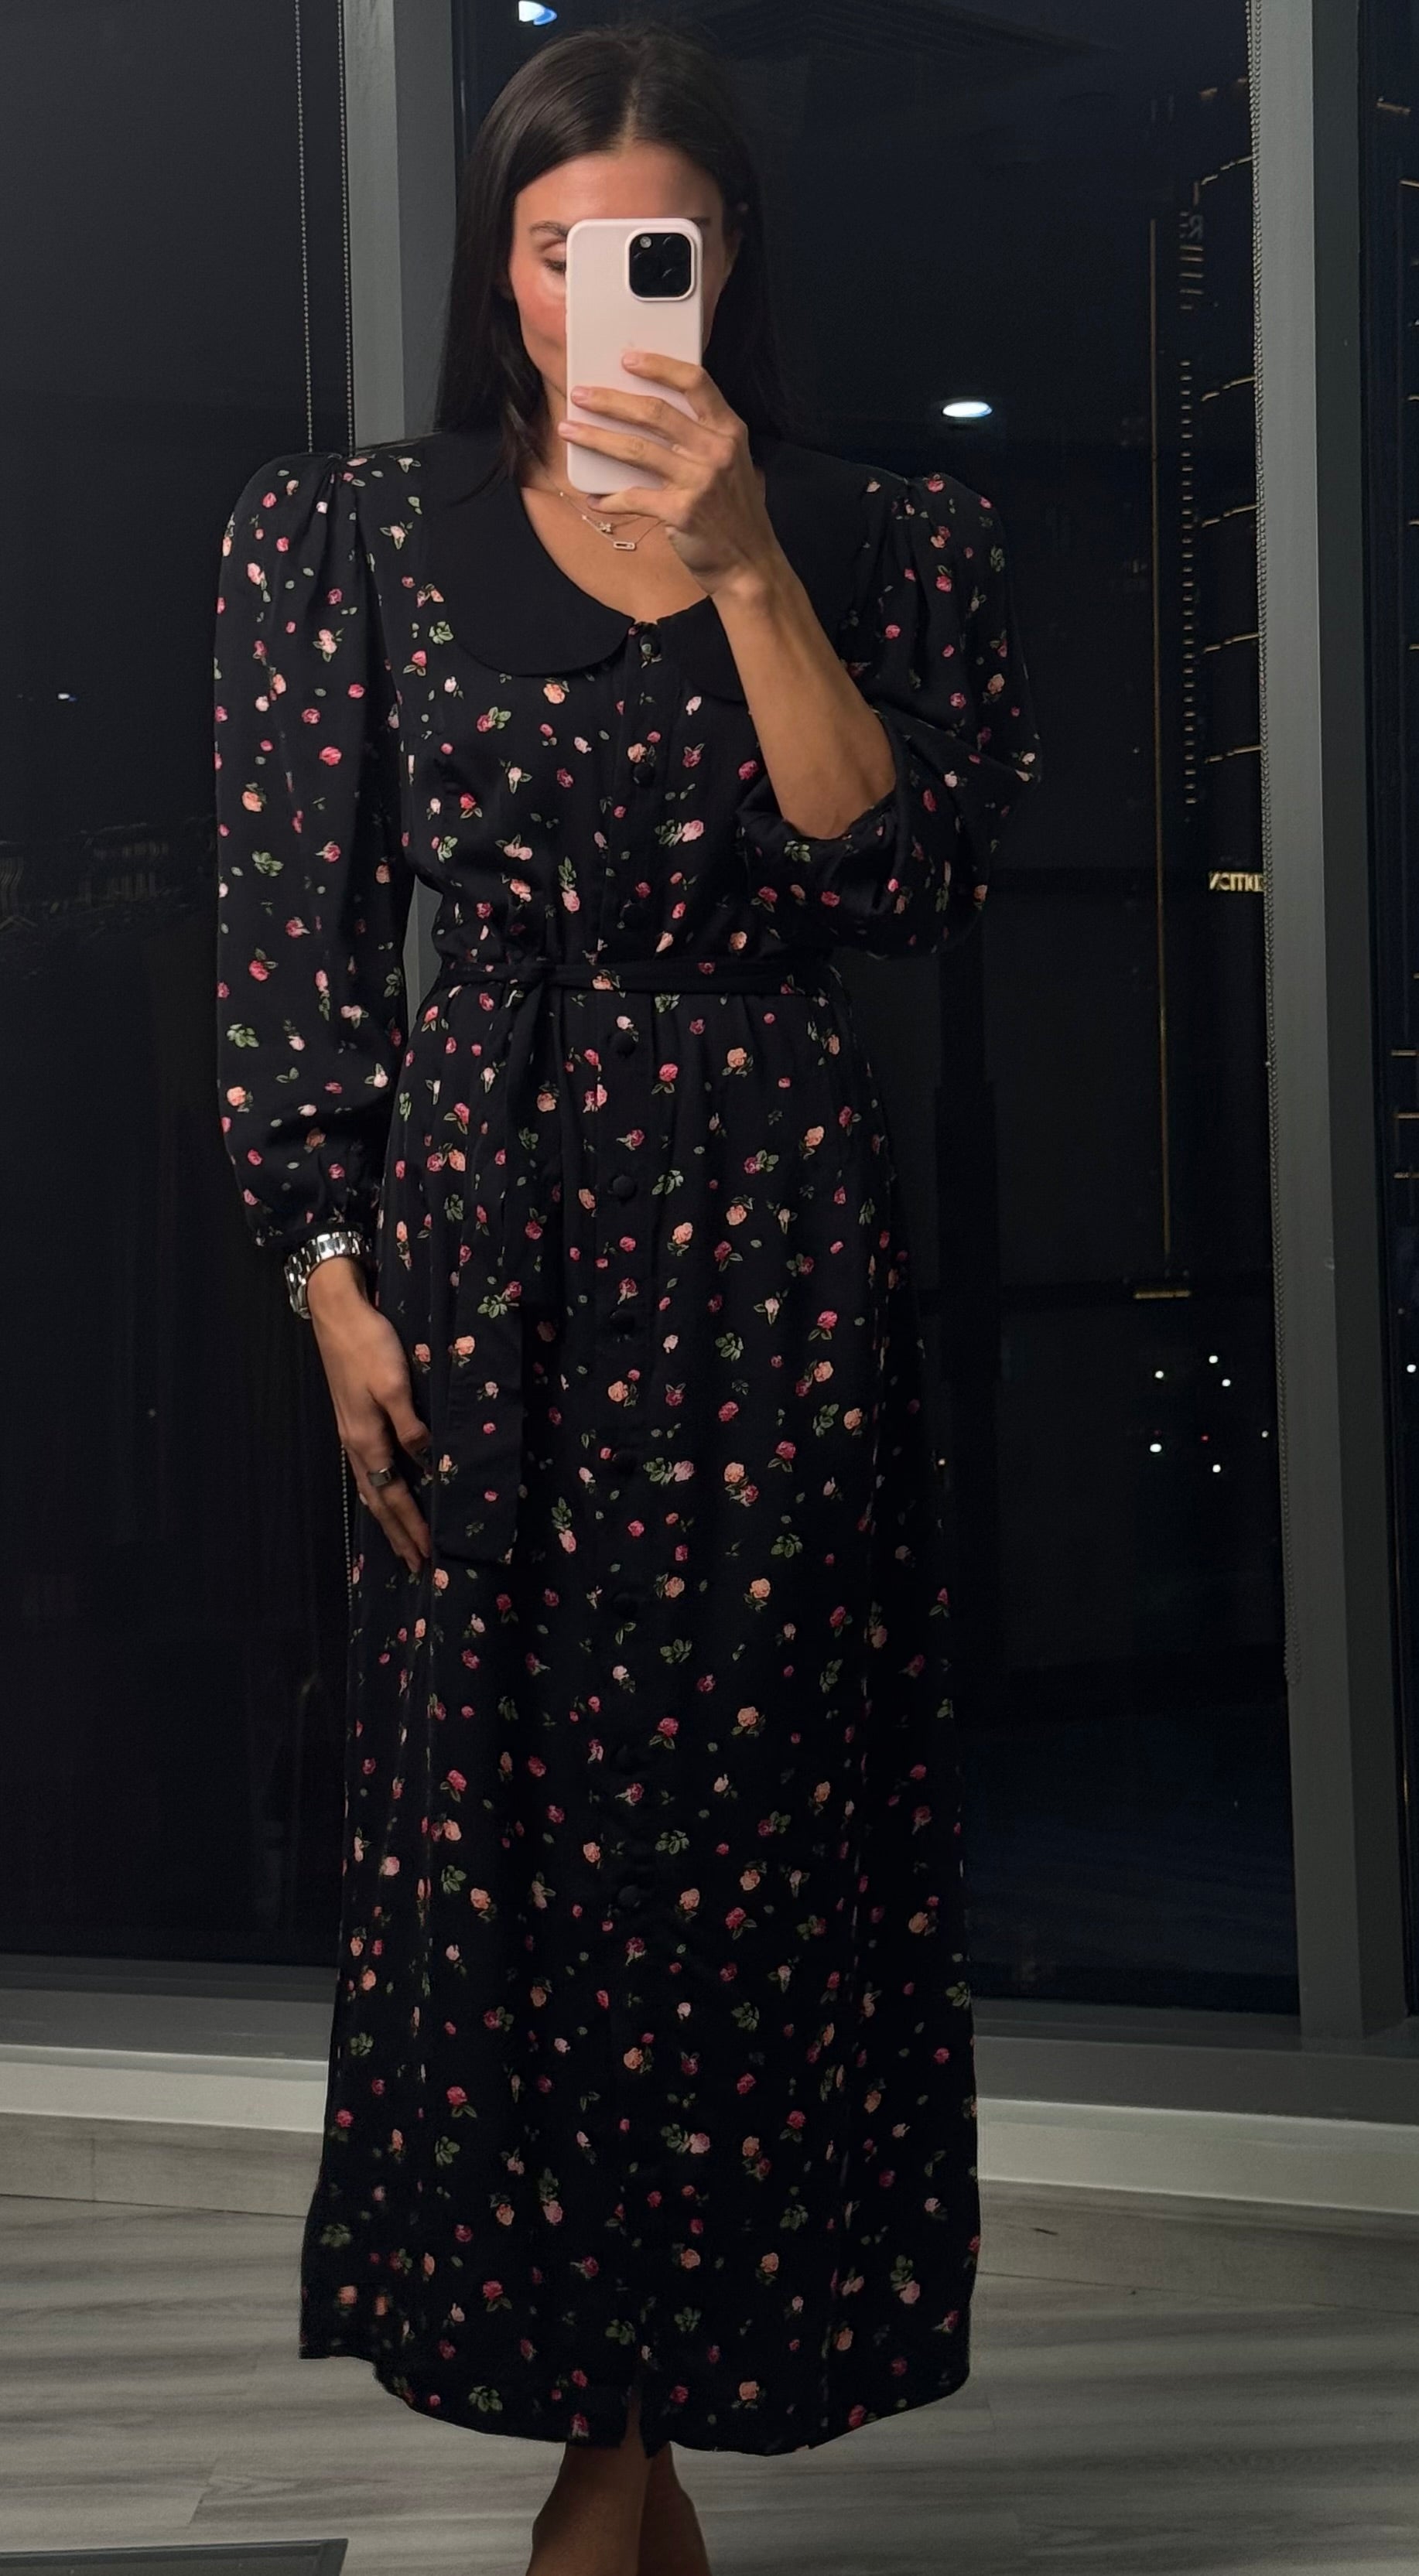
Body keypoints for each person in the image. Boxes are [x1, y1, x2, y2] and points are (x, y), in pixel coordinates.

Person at [214, 18, 1040, 2573]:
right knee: (515, 1844)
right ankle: (612, 2453)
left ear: (727, 257)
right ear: (502, 276)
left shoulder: (888, 539)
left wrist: (751, 562)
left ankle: (627, 2457)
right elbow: (291, 956)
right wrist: (329, 1275)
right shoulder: (342, 535)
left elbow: (900, 884)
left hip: (774, 1242)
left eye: (645, 248)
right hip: (485, 1241)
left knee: (753, 1836)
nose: (596, 296)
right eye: (552, 251)